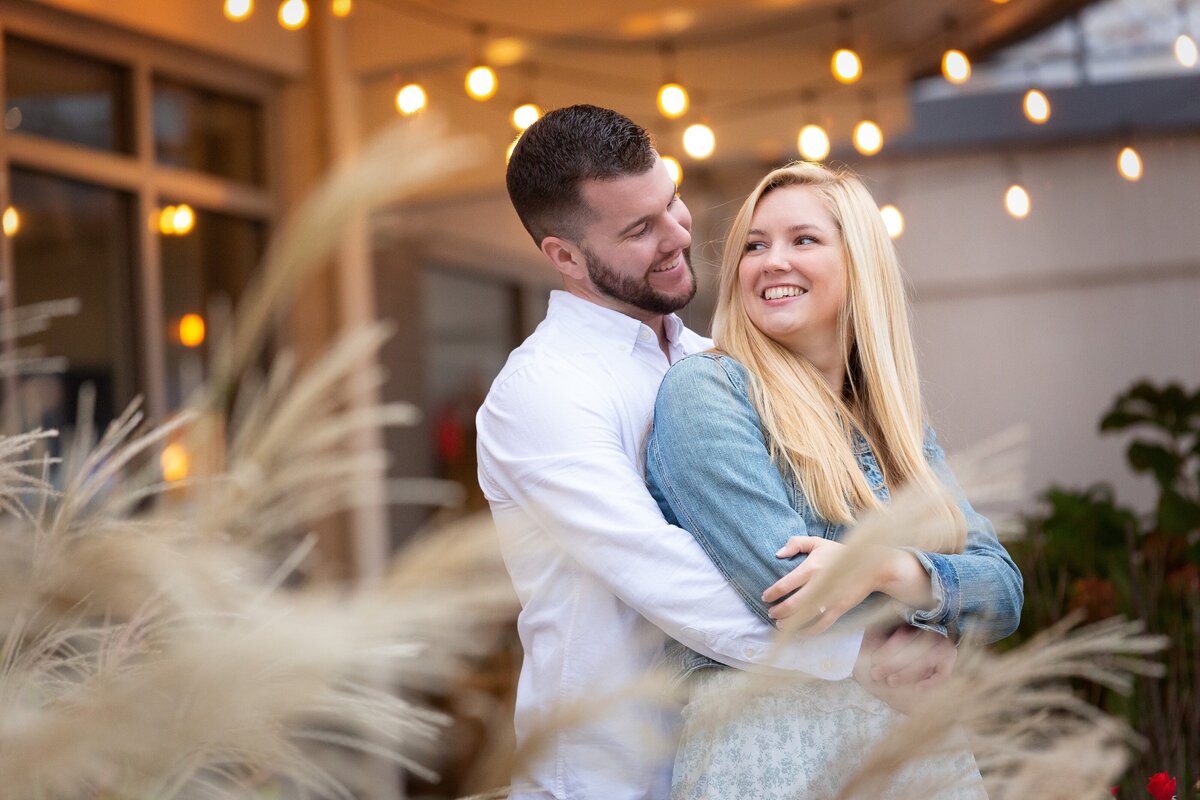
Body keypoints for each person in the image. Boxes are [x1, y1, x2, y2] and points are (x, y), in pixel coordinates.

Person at [476, 105, 954, 800]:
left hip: (748, 755)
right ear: (565, 258)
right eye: (640, 229)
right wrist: (860, 651)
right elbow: (665, 573)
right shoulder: (544, 392)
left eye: (670, 201)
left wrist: (919, 579)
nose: (677, 236)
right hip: (612, 777)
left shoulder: (715, 362)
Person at [644, 161, 1024, 798]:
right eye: (755, 246)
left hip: (916, 751)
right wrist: (935, 603)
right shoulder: (708, 391)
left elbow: (1004, 592)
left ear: (861, 264)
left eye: (804, 240)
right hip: (776, 751)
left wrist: (880, 567)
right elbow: (789, 587)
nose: (771, 262)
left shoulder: (893, 420)